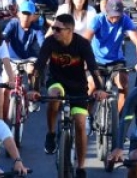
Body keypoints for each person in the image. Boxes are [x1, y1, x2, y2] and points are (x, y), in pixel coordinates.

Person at [28, 13, 107, 177]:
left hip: (78, 86)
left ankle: (81, 167)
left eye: (58, 29)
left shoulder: (82, 44)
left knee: (80, 123)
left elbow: (93, 68)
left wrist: (100, 88)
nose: (54, 31)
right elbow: (39, 67)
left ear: (69, 30)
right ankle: (51, 134)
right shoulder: (50, 42)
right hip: (56, 81)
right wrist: (34, 89)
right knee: (54, 96)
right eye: (53, 28)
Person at [83, 0, 137, 112]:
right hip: (96, 60)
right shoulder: (98, 19)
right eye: (112, 16)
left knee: (124, 84)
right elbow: (85, 41)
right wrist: (84, 61)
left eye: (118, 16)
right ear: (106, 12)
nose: (115, 19)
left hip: (116, 61)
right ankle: (86, 116)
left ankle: (118, 118)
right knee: (92, 86)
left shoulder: (125, 19)